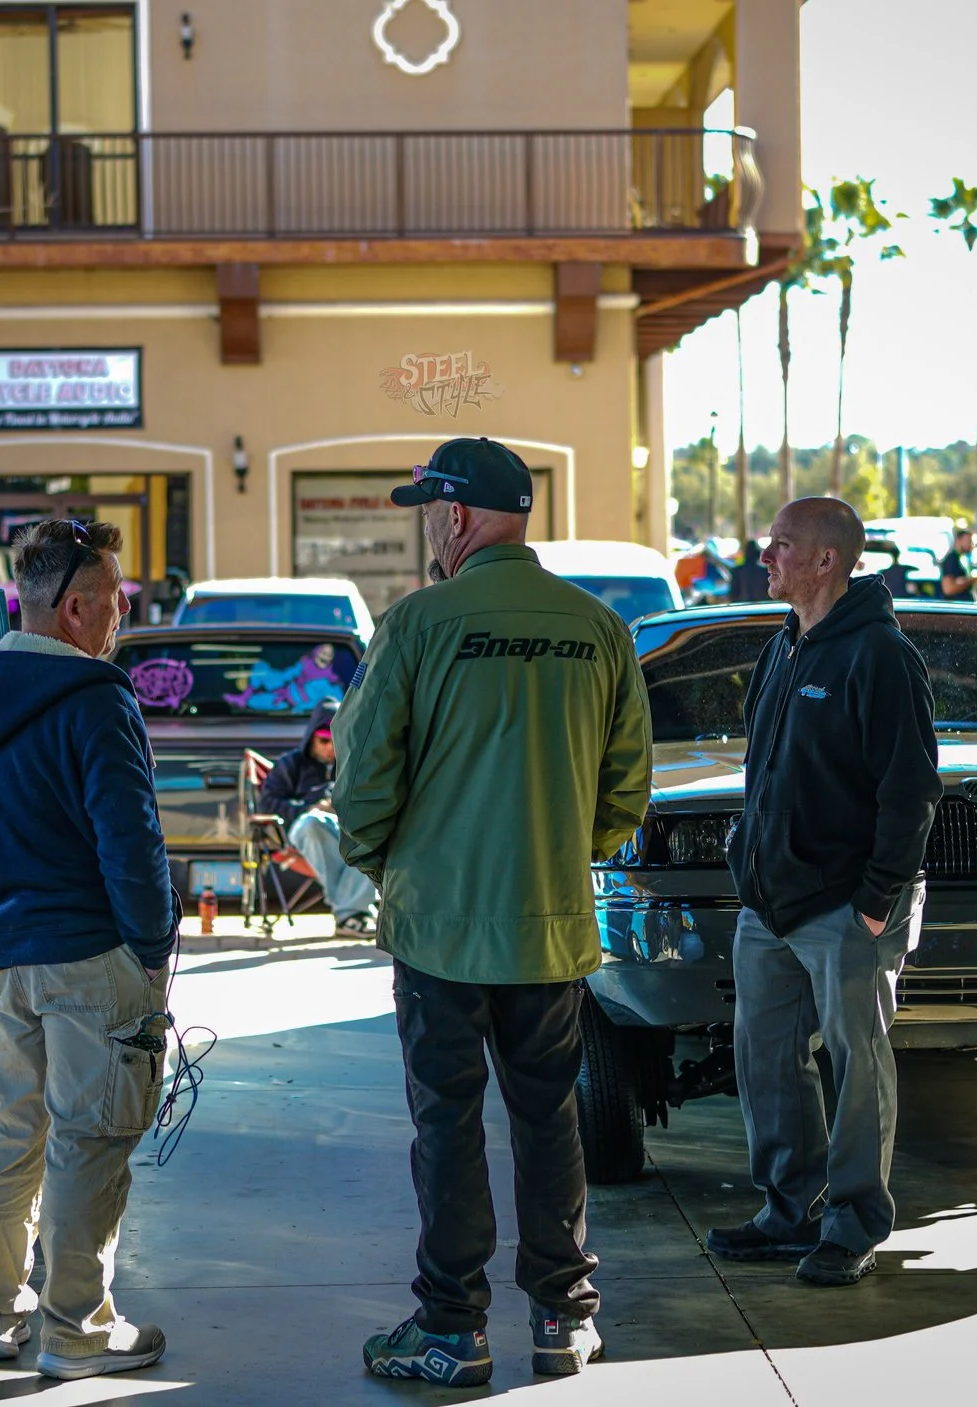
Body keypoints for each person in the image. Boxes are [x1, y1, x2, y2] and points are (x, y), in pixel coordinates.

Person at [333, 436, 653, 1385]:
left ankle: (451, 1331)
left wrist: (389, 861)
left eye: (430, 510)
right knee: (549, 1119)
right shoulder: (597, 627)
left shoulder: (420, 623)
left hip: (439, 931)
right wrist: (560, 848)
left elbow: (362, 782)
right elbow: (628, 784)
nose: (428, 526)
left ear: (459, 516)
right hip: (550, 922)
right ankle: (563, 1318)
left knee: (449, 1125)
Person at [0, 518, 178, 1382]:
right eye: (115, 597)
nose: (123, 611)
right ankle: (77, 1330)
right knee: (89, 1140)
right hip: (92, 955)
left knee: (7, 1130)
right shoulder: (97, 700)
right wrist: (152, 950)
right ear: (74, 607)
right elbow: (130, 845)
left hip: (2, 959)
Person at [707, 496, 942, 1289]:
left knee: (858, 1062)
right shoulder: (783, 647)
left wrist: (876, 900)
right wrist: (750, 861)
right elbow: (760, 769)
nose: (763, 557)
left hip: (848, 906)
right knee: (764, 1055)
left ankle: (852, 1224)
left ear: (824, 561)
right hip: (770, 904)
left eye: (777, 546)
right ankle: (788, 1210)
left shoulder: (878, 654)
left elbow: (910, 792)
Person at [255, 699, 377, 934]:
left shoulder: (354, 763)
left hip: (346, 829)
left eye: (335, 740)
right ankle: (354, 912)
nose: (330, 747)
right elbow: (268, 803)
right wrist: (309, 808)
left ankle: (348, 916)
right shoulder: (291, 764)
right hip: (304, 831)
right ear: (311, 737)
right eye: (323, 740)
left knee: (371, 833)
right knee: (312, 824)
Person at [938, 528, 976, 600]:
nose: (972, 545)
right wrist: (973, 580)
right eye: (969, 541)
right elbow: (948, 589)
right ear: (958, 540)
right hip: (956, 607)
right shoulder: (952, 558)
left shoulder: (963, 558)